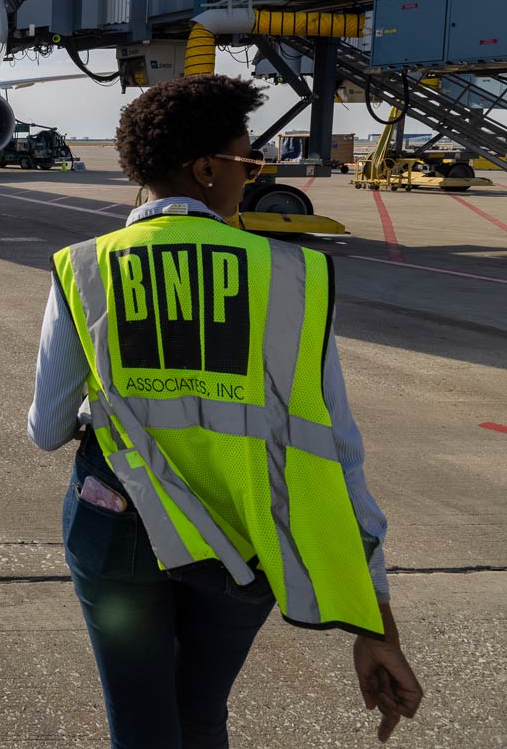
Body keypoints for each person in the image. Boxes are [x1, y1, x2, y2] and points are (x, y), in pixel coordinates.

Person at [30, 74, 423, 748]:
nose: (254, 174)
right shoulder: (295, 277)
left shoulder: (85, 268)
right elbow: (338, 453)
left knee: (142, 723)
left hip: (120, 529)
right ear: (207, 168)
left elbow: (45, 430)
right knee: (202, 712)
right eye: (252, 161)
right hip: (247, 539)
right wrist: (374, 624)